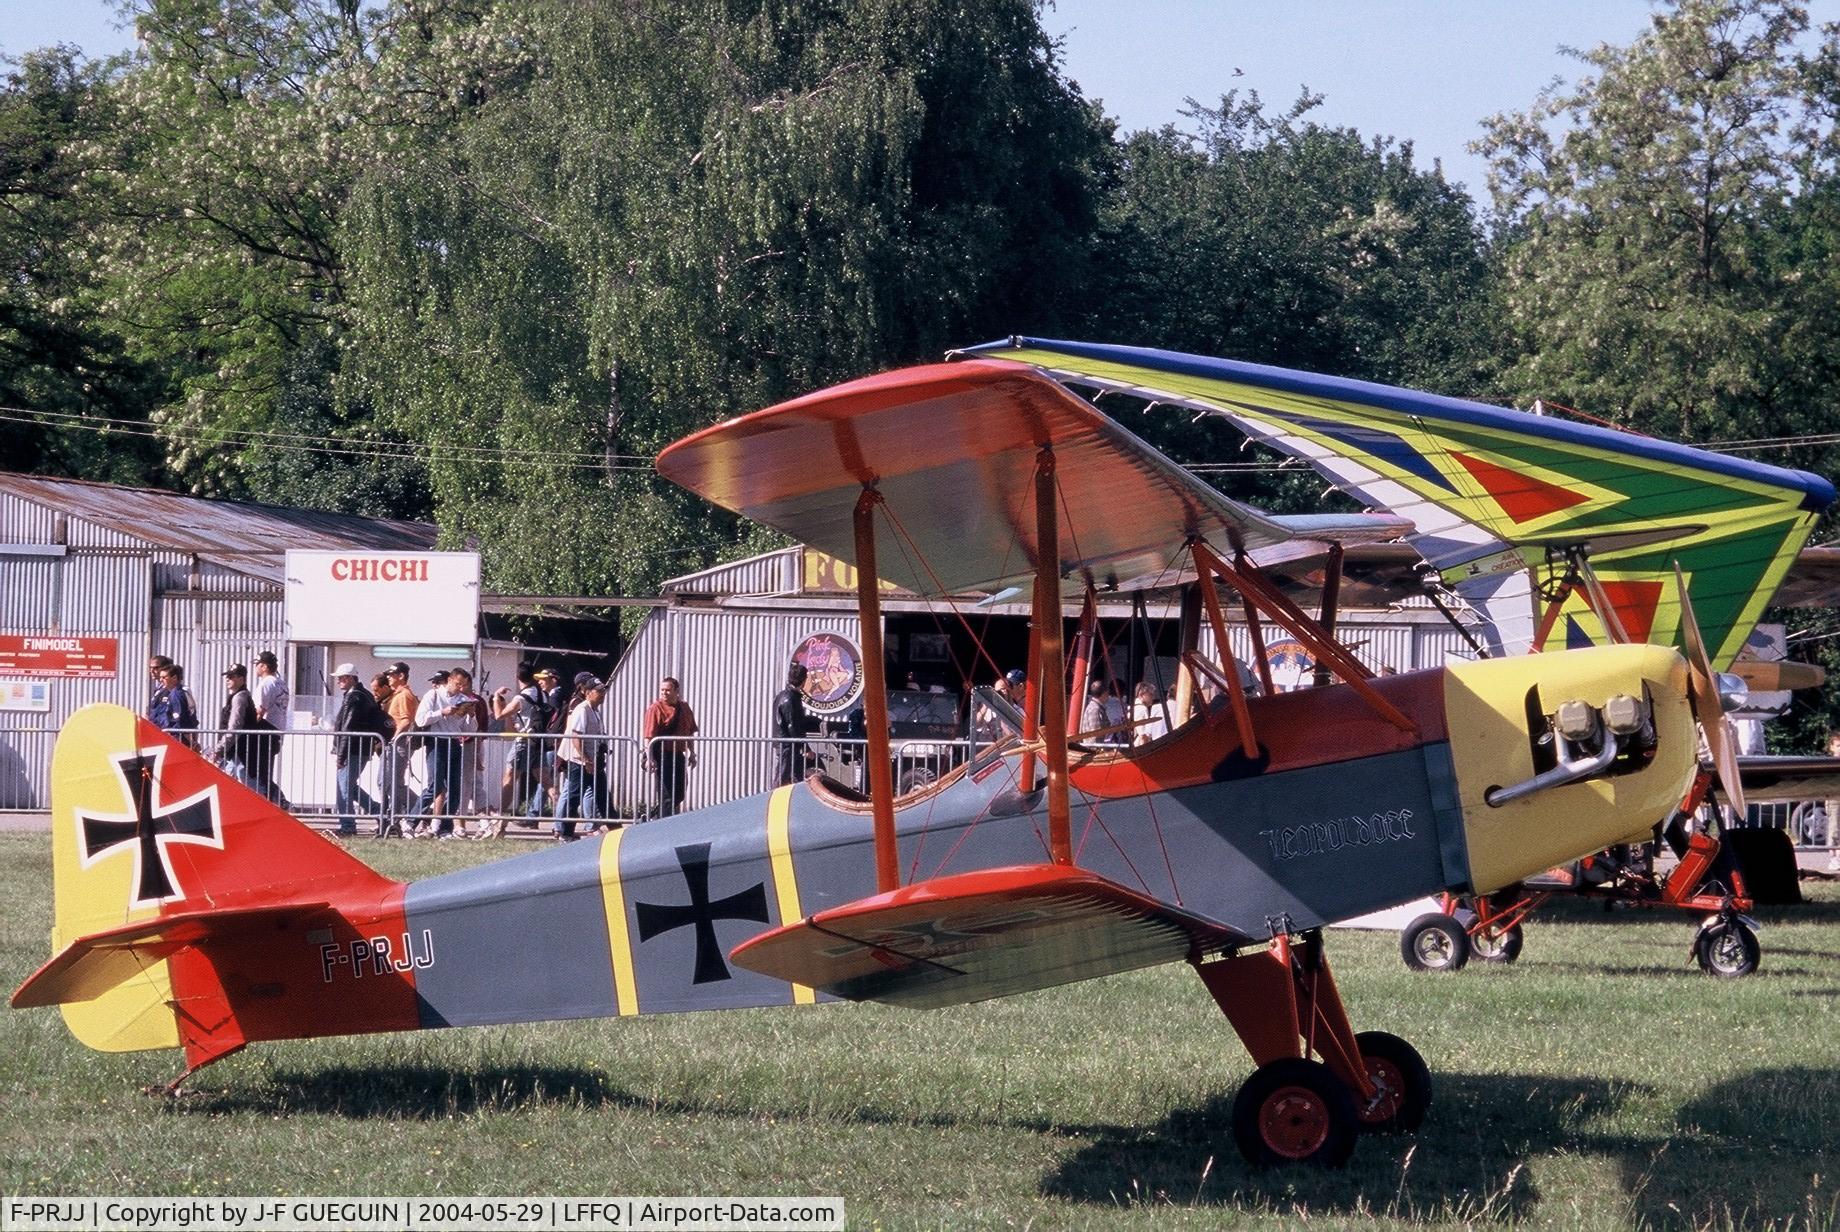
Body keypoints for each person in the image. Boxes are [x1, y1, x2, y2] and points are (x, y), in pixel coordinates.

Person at [491, 662, 554, 836]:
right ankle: (563, 818)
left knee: (509, 779)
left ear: (518, 677)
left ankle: (500, 821)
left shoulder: (521, 698)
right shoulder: (543, 695)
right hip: (538, 742)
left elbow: (499, 715)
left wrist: (496, 697)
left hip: (523, 742)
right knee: (547, 782)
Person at [330, 663, 392, 836]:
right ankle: (379, 812)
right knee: (350, 787)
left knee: (343, 788)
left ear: (351, 678)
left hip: (352, 749)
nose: (338, 681)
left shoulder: (354, 697)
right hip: (360, 748)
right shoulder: (363, 695)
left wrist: (340, 755)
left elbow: (347, 728)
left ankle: (347, 826)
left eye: (341, 678)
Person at [412, 668, 471, 839]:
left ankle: (445, 826)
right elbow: (420, 719)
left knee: (454, 788)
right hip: (436, 741)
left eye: (464, 685)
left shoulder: (464, 699)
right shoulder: (434, 695)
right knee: (435, 786)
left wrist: (470, 716)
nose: (460, 688)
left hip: (454, 742)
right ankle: (410, 820)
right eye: (458, 684)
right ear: (450, 680)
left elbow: (468, 729)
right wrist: (442, 712)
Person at [554, 677, 607, 840]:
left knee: (598, 792)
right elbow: (576, 736)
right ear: (588, 692)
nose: (602, 694)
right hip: (579, 761)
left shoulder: (594, 710)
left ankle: (607, 826)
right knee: (572, 795)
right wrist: (585, 760)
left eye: (603, 691)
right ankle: (564, 831)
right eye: (599, 691)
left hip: (591, 760)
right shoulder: (581, 709)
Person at [641, 676, 699, 818]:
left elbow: (689, 732)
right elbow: (648, 736)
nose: (664, 693)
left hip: (678, 755)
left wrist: (692, 753)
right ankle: (663, 825)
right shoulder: (655, 708)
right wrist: (650, 758)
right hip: (662, 755)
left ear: (676, 691)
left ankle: (653, 817)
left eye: (667, 690)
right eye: (662, 690)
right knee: (666, 795)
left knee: (679, 793)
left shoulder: (684, 707)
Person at [378, 661, 417, 833]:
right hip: (393, 743)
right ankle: (405, 813)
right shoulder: (396, 694)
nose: (388, 678)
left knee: (392, 783)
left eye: (391, 675)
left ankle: (418, 809)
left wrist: (394, 738)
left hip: (399, 743)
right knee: (386, 782)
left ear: (401, 676)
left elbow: (406, 720)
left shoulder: (404, 695)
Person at [210, 664, 263, 790]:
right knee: (230, 785)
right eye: (227, 676)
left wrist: (218, 749)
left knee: (247, 786)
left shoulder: (240, 698)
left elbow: (234, 727)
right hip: (236, 751)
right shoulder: (237, 696)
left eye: (231, 676)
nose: (227, 679)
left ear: (241, 679)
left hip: (241, 751)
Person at [250, 650, 290, 804]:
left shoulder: (267, 683)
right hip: (276, 731)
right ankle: (277, 801)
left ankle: (278, 802)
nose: (256, 668)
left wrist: (248, 729)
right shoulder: (281, 683)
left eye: (257, 664)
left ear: (264, 666)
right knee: (264, 772)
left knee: (259, 773)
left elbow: (259, 710)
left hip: (265, 731)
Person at [772, 663, 814, 786]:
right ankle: (773, 801)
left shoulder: (783, 696)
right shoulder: (791, 698)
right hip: (787, 744)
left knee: (793, 775)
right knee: (783, 776)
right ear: (803, 680)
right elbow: (793, 726)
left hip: (785, 743)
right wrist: (806, 748)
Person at [149, 663, 199, 745]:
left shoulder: (176, 695)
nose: (161, 680)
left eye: (164, 677)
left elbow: (180, 721)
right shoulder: (173, 693)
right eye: (160, 677)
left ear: (174, 678)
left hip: (178, 738)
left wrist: (192, 742)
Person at [1131, 681, 1168, 746]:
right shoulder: (1141, 709)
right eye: (1150, 694)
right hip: (1140, 746)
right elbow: (1142, 735)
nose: (1153, 697)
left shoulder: (1133, 707)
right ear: (1142, 695)